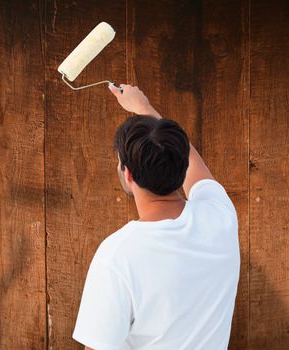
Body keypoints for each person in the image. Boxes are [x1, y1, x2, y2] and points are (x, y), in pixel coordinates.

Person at [73, 84, 240, 350]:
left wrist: (143, 109)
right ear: (182, 166)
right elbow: (193, 164)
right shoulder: (219, 217)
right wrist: (144, 108)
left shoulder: (117, 255)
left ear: (127, 174)